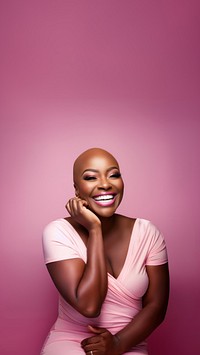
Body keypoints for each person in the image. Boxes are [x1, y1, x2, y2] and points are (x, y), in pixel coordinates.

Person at [41, 147, 169, 355]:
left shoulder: (148, 232)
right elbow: (90, 306)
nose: (105, 184)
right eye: (91, 177)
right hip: (73, 341)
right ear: (76, 189)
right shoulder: (58, 232)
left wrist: (118, 344)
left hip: (129, 342)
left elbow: (157, 306)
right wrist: (95, 230)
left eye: (114, 174)